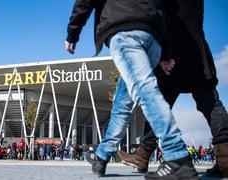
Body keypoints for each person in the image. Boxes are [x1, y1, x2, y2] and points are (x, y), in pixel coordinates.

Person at [65, 0, 198, 179]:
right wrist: (165, 52)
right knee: (122, 103)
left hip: (124, 29)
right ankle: (102, 156)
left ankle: (177, 156)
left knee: (145, 90)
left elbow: (85, 2)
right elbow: (165, 10)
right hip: (152, 38)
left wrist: (72, 34)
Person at [117, 0, 228, 178]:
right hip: (197, 51)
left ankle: (142, 155)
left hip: (172, 52)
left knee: (158, 107)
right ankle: (225, 160)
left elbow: (160, 16)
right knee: (211, 103)